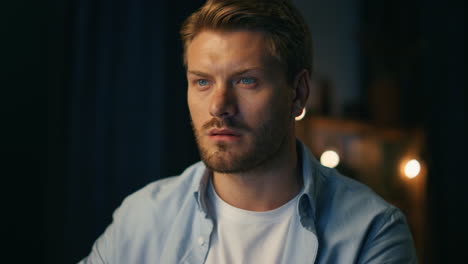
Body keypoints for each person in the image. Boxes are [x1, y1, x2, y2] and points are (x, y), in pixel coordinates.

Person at [80, 0, 417, 263]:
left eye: (246, 81)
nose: (218, 106)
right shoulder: (143, 218)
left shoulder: (372, 233)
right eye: (202, 82)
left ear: (297, 93)